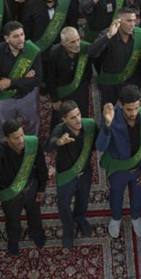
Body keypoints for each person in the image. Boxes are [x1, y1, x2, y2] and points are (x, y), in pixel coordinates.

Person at [96, 85, 141, 239]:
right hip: (119, 169)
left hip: (140, 168)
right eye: (129, 109)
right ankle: (116, 218)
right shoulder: (111, 117)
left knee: (138, 195)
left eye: (136, 108)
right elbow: (100, 146)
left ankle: (135, 216)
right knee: (116, 195)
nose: (134, 113)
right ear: (121, 105)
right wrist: (107, 125)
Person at [0, 117, 48, 255]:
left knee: (35, 214)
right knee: (12, 219)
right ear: (6, 139)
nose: (21, 140)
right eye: (16, 138)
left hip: (31, 189)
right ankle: (14, 239)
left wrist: (41, 188)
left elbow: (41, 167)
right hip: (11, 194)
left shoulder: (33, 144)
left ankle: (36, 233)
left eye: (22, 134)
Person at [45, 101, 96, 248]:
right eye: (73, 117)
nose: (78, 119)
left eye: (79, 114)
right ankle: (68, 227)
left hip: (85, 172)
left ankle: (80, 218)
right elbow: (49, 145)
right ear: (64, 119)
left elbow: (100, 140)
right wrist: (59, 142)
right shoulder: (60, 129)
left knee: (83, 198)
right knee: (64, 204)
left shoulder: (89, 125)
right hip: (66, 175)